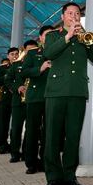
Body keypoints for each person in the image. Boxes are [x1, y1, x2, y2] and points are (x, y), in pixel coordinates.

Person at [42, 3, 93, 185]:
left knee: (73, 137)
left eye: (77, 13)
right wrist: (67, 37)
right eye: (70, 13)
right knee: (52, 136)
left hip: (77, 91)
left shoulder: (84, 37)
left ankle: (69, 176)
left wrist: (86, 40)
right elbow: (48, 53)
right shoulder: (53, 35)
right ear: (63, 16)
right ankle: (53, 178)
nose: (74, 16)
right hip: (56, 92)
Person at [21, 27, 54, 174]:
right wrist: (40, 69)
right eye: (46, 35)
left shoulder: (59, 52)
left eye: (52, 35)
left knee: (49, 131)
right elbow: (24, 71)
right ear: (40, 38)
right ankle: (31, 163)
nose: (49, 37)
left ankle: (47, 161)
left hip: (53, 97)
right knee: (32, 131)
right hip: (35, 97)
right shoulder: (33, 53)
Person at [5, 40, 39, 163]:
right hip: (18, 102)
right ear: (24, 50)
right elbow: (8, 80)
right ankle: (15, 153)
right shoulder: (16, 64)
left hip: (33, 100)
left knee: (31, 129)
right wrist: (17, 87)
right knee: (16, 128)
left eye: (34, 49)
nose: (31, 52)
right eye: (29, 50)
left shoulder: (39, 63)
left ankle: (26, 153)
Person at [0, 47, 19, 154]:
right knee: (3, 124)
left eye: (16, 54)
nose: (15, 56)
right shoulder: (2, 68)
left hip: (18, 99)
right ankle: (3, 145)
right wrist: (6, 77)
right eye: (12, 54)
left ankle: (14, 146)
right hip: (6, 99)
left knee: (16, 125)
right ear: (8, 56)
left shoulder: (22, 66)